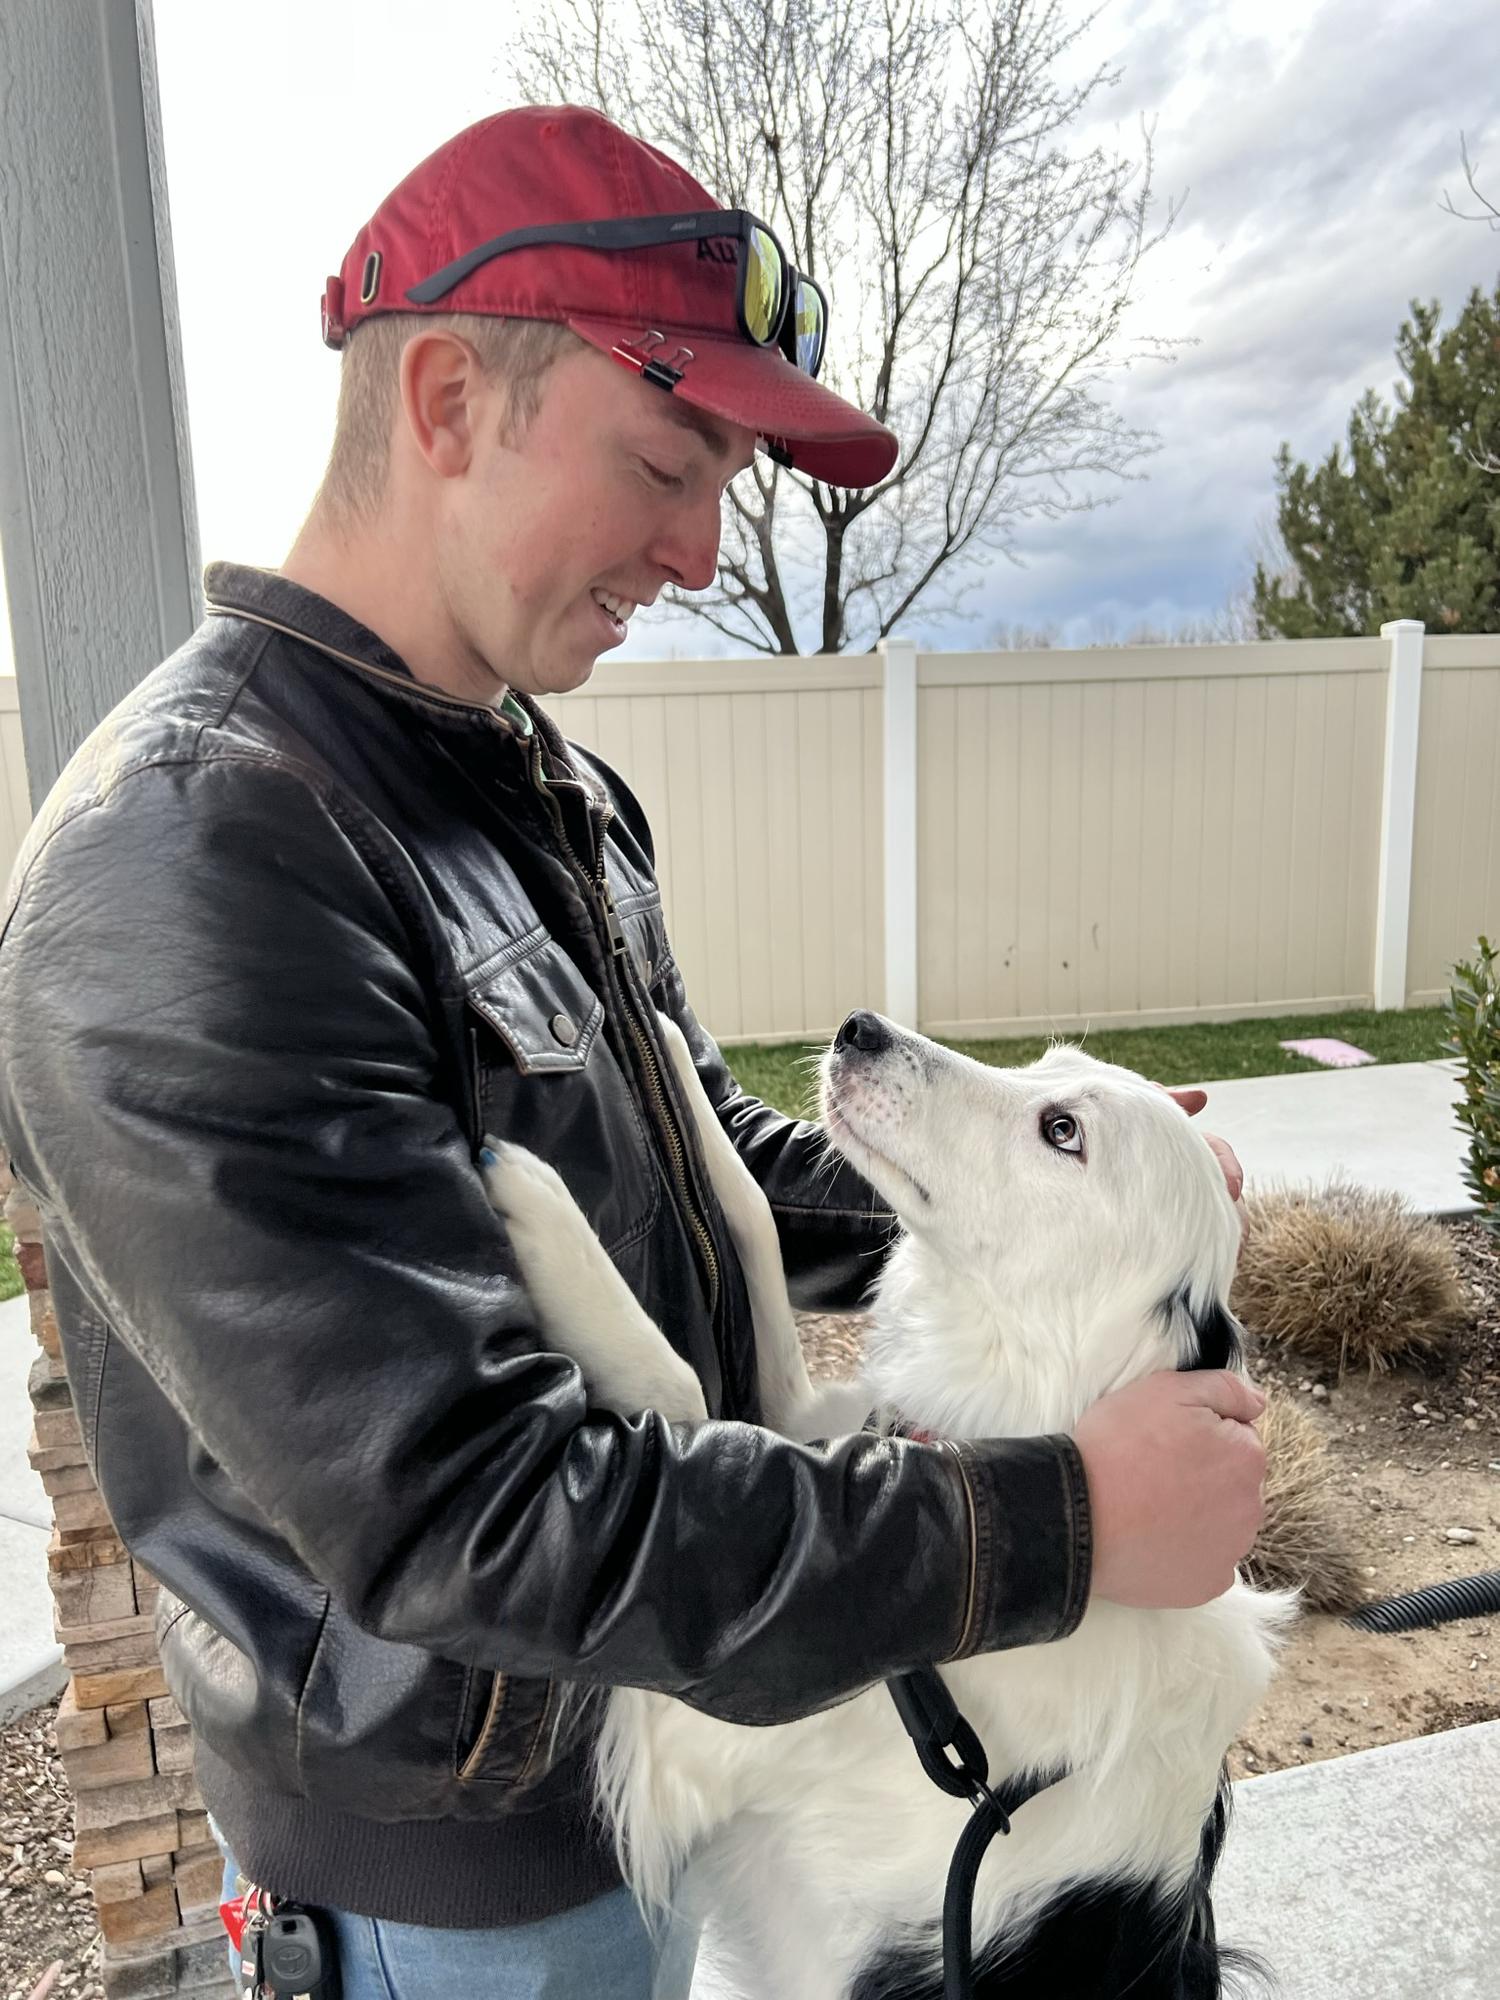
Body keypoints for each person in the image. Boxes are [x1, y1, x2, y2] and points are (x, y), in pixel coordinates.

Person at [0, 106, 1266, 1998]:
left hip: (671, 1758)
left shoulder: (542, 785)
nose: (703, 545)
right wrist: (1061, 1521)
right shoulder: (190, 864)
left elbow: (704, 1170)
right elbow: (472, 1511)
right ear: (445, 397)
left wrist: (1042, 1199)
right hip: (463, 1892)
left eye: (730, 479)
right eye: (673, 459)